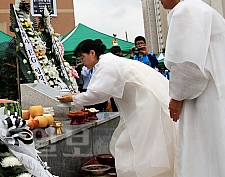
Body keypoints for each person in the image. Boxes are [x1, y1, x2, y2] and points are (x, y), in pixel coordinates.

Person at [150, 0, 225, 176]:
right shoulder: (201, 9)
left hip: (208, 97)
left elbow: (189, 66)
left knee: (209, 152)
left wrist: (177, 96)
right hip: (222, 92)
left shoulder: (185, 10)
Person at [58, 39, 176, 177]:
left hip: (145, 104)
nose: (82, 62)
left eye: (83, 58)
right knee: (131, 144)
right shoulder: (107, 62)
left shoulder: (107, 64)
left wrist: (73, 98)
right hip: (139, 105)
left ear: (92, 53)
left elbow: (99, 94)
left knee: (135, 145)